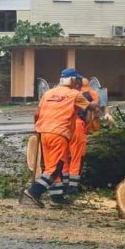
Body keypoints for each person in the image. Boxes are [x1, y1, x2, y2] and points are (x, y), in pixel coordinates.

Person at [21, 68, 90, 208]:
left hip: (44, 132)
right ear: (71, 80)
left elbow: (37, 113)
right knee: (56, 167)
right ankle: (33, 192)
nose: (78, 82)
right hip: (59, 133)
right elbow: (90, 109)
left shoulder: (48, 93)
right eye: (76, 80)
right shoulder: (75, 94)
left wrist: (38, 128)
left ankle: (56, 197)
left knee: (51, 165)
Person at [63, 73, 100, 199]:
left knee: (64, 157)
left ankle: (63, 184)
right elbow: (92, 112)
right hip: (78, 125)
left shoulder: (60, 93)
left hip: (63, 127)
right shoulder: (88, 94)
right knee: (77, 157)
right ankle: (72, 188)